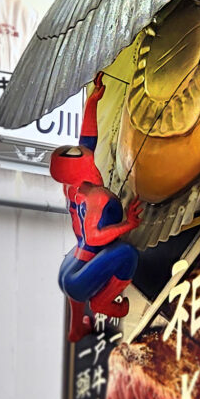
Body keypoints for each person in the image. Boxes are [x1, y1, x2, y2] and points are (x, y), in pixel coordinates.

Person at [50, 74, 141, 343]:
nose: (81, 149)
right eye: (76, 153)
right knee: (127, 253)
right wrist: (128, 225)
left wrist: (92, 101)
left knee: (80, 257)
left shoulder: (74, 185)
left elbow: (87, 139)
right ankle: (103, 302)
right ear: (79, 168)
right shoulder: (94, 196)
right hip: (79, 275)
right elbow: (94, 236)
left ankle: (76, 326)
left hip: (71, 267)